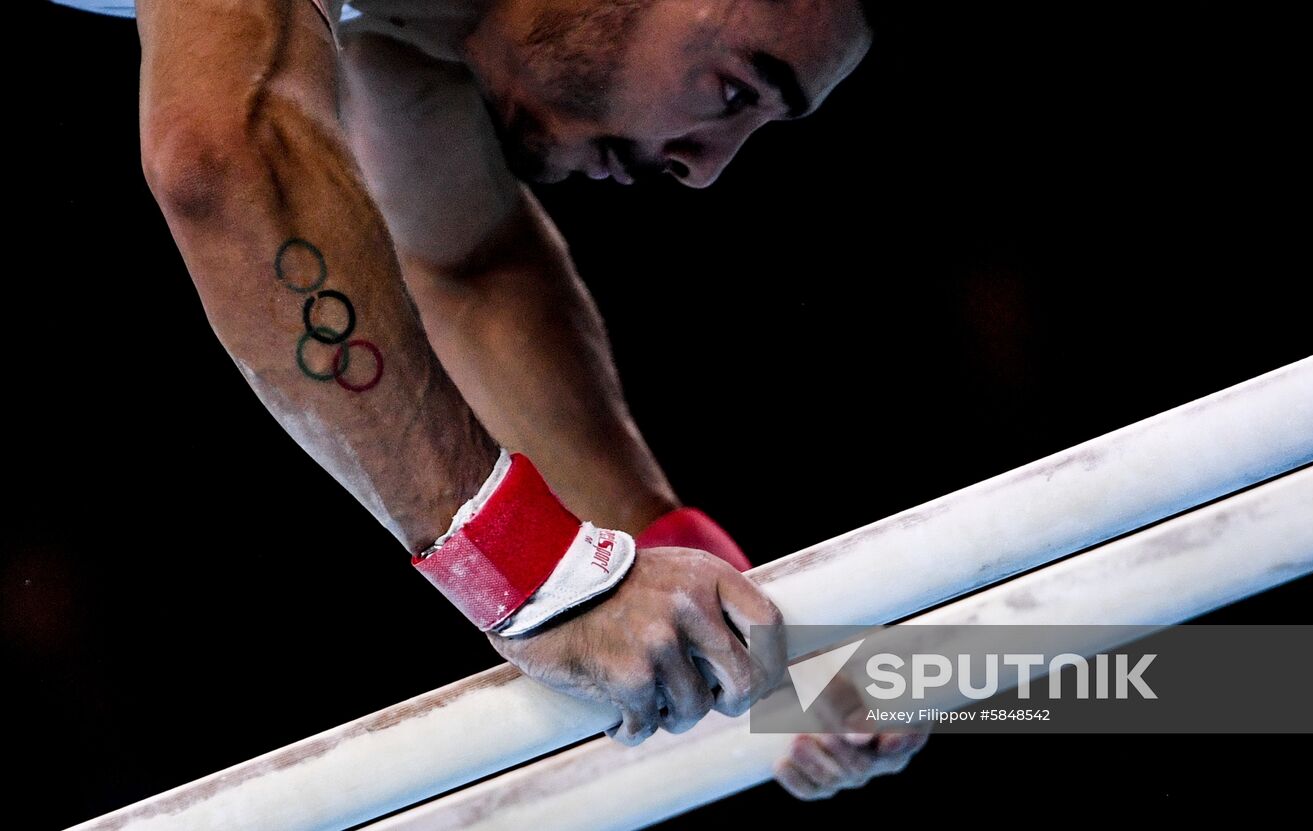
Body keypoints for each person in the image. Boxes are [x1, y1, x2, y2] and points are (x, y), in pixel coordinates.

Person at [50, 0, 925, 799]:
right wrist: (539, 581)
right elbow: (227, 156)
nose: (706, 169)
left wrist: (739, 632)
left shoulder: (418, 20)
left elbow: (469, 271)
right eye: (735, 88)